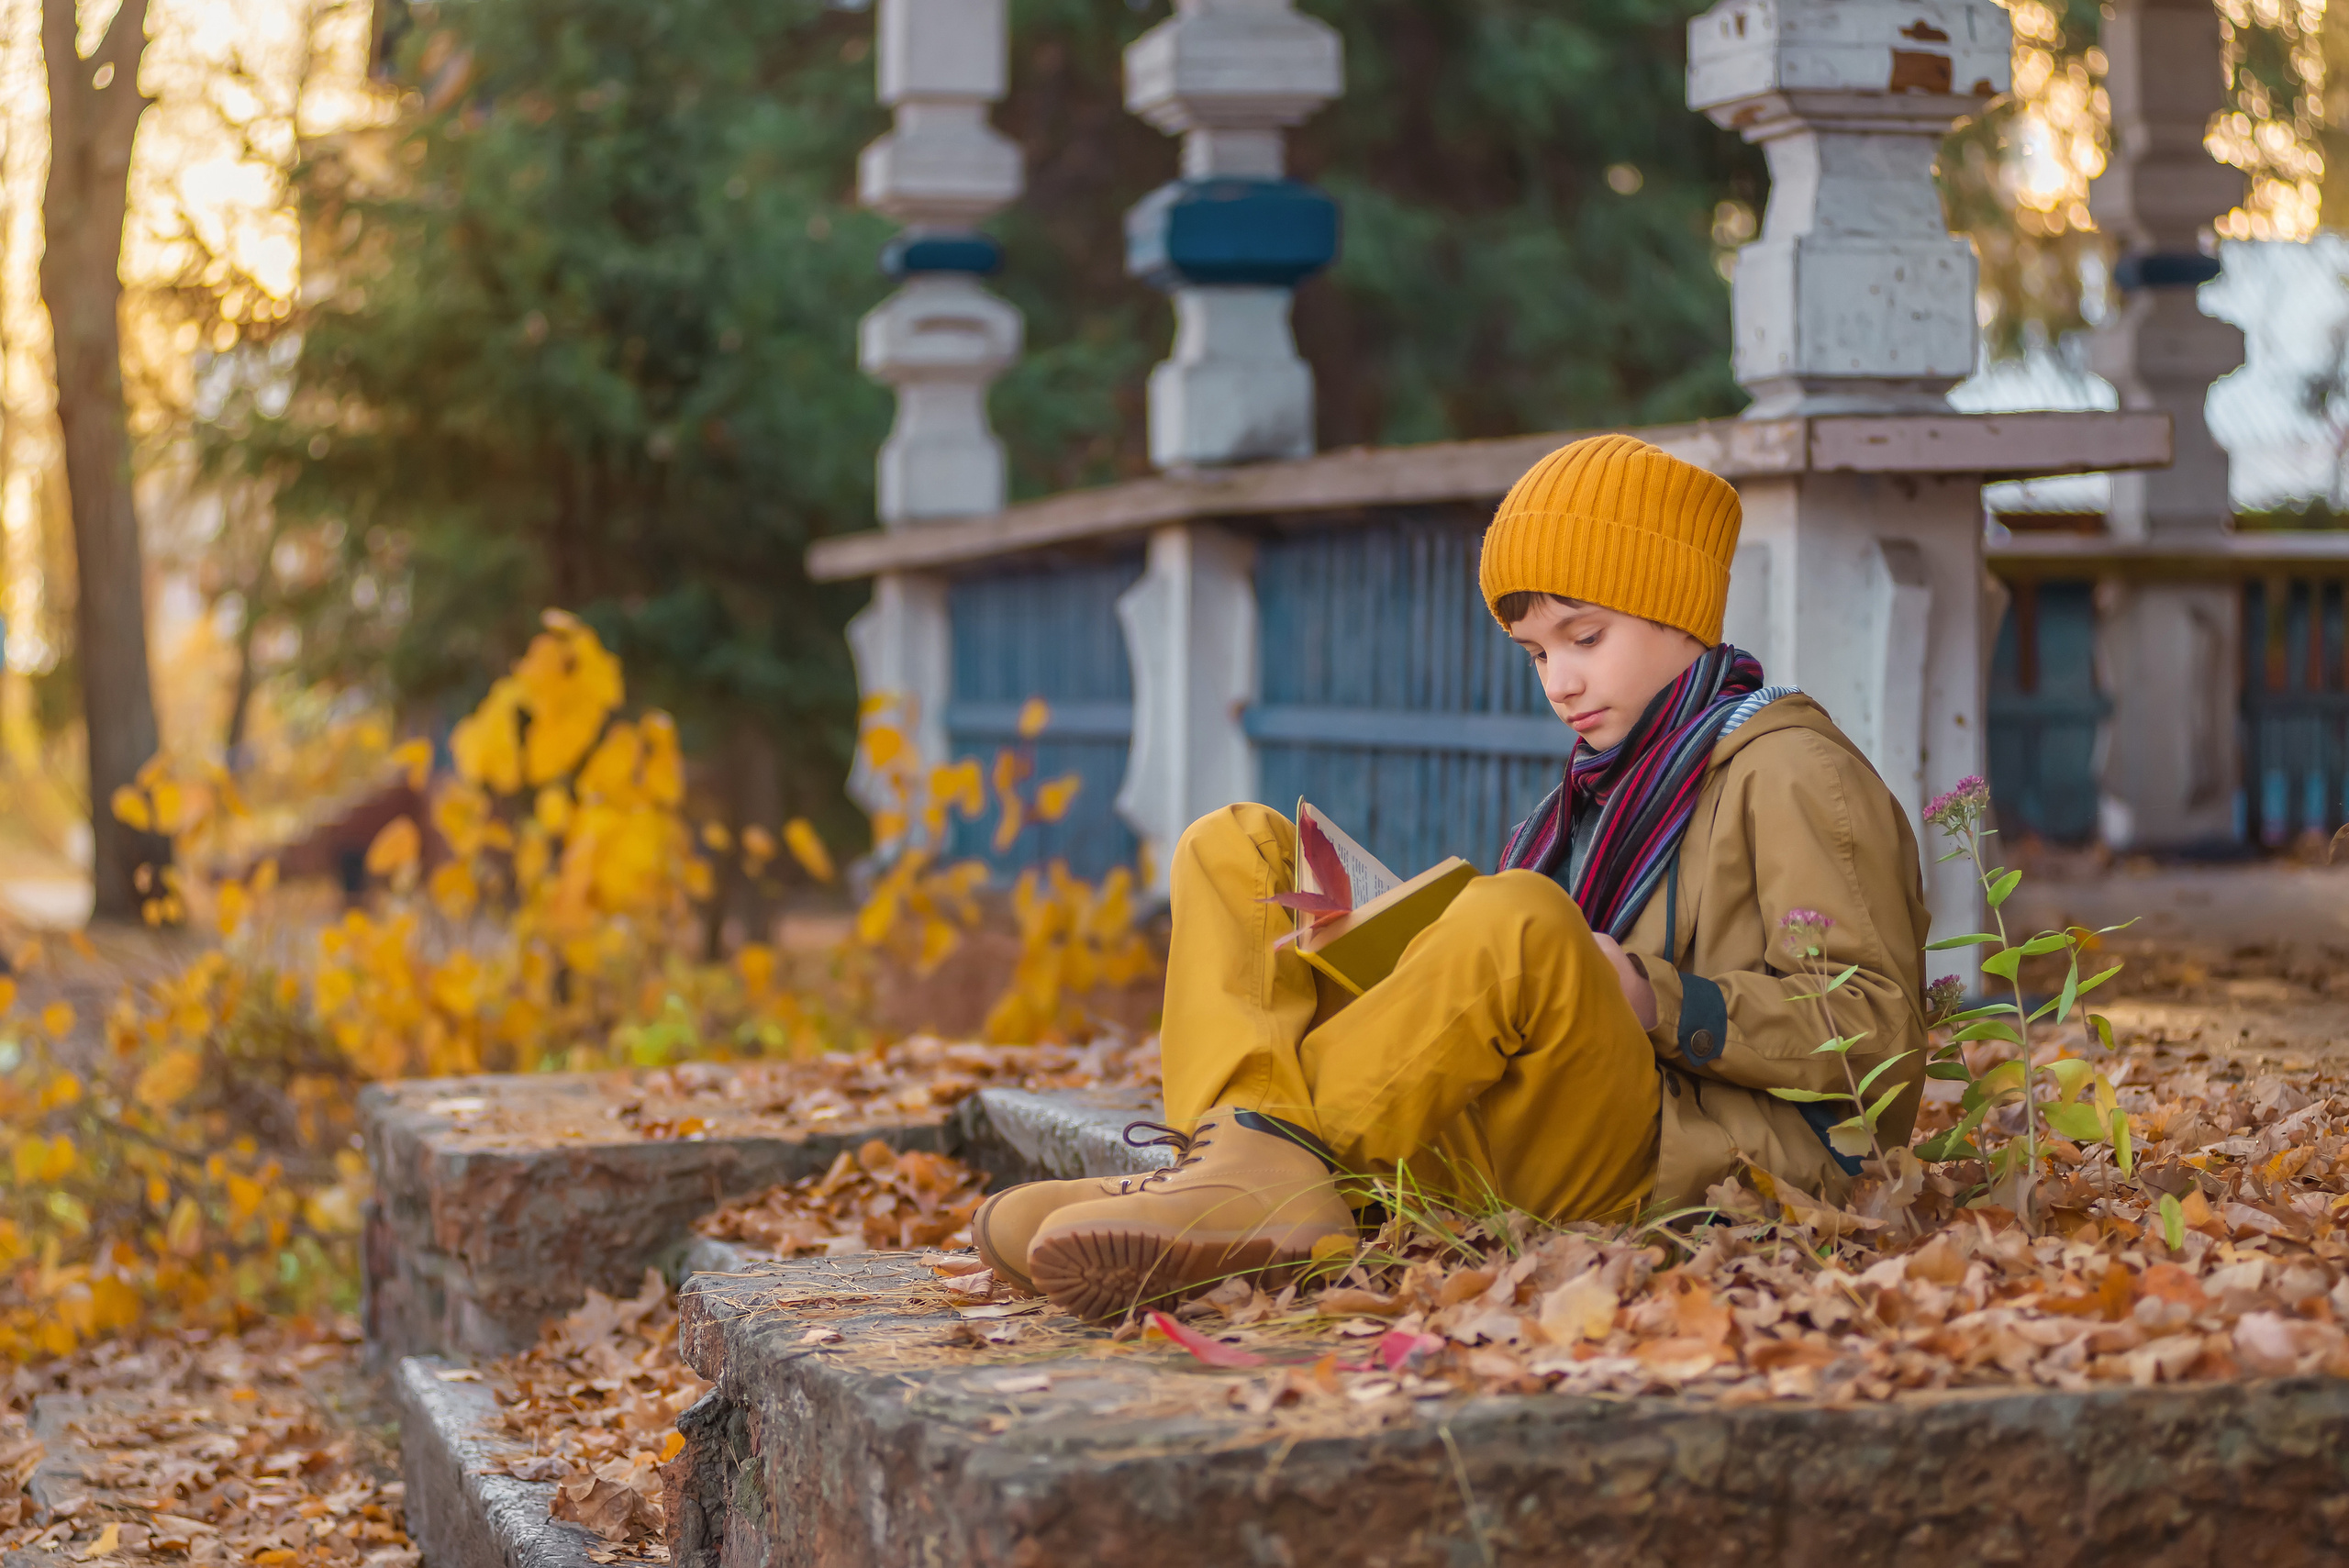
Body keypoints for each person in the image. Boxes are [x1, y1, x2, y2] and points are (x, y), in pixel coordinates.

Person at [974, 433, 1932, 1323]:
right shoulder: (1597, 788)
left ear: (1674, 609)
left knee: (1516, 915)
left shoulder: (1790, 769)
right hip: (1537, 1125)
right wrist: (1375, 941)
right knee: (1238, 846)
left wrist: (1655, 995)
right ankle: (1242, 1160)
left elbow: (1874, 1030)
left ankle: (1265, 1175)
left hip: (1685, 1156)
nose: (1557, 680)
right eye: (1536, 652)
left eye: (1583, 636)